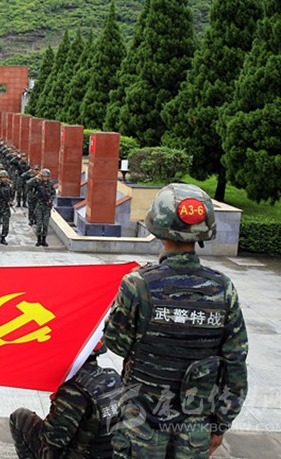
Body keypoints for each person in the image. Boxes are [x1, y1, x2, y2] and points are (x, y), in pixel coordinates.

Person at [104, 183, 248, 458]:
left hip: (141, 426)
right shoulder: (223, 288)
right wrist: (221, 424)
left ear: (158, 228)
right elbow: (236, 366)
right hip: (194, 430)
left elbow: (116, 344)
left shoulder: (138, 284)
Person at [10, 342, 122, 459]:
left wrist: (56, 405)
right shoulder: (114, 377)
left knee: (19, 417)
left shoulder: (73, 390)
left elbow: (52, 439)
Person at [33, 169, 56, 247]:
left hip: (47, 207)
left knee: (45, 224)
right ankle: (39, 240)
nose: (45, 178)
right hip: (39, 206)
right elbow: (28, 183)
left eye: (47, 177)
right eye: (44, 176)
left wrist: (50, 200)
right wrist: (36, 178)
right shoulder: (38, 183)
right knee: (39, 224)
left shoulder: (51, 184)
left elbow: (53, 194)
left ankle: (44, 240)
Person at [0, 170, 14, 245]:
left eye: (5, 177)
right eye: (2, 177)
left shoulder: (9, 184)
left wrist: (11, 201)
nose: (3, 179)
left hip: (5, 206)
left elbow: (12, 194)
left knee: (5, 223)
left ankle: (3, 237)